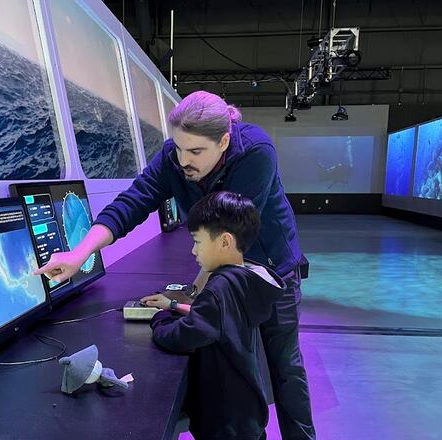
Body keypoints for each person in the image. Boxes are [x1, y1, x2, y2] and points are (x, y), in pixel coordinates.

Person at [35, 90, 315, 439]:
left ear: (224, 140)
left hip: (271, 272)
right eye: (178, 148)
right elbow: (133, 202)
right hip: (225, 272)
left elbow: (226, 234)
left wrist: (193, 293)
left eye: (195, 151)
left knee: (285, 367)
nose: (183, 161)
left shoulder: (256, 152)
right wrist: (80, 255)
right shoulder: (174, 157)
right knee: (237, 367)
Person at [149, 191, 283, 439]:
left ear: (224, 242)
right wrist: (174, 306)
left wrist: (159, 320)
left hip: (224, 420)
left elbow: (183, 336)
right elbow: (217, 319)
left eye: (197, 242)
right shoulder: (244, 278)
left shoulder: (219, 289)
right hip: (245, 412)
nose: (193, 251)